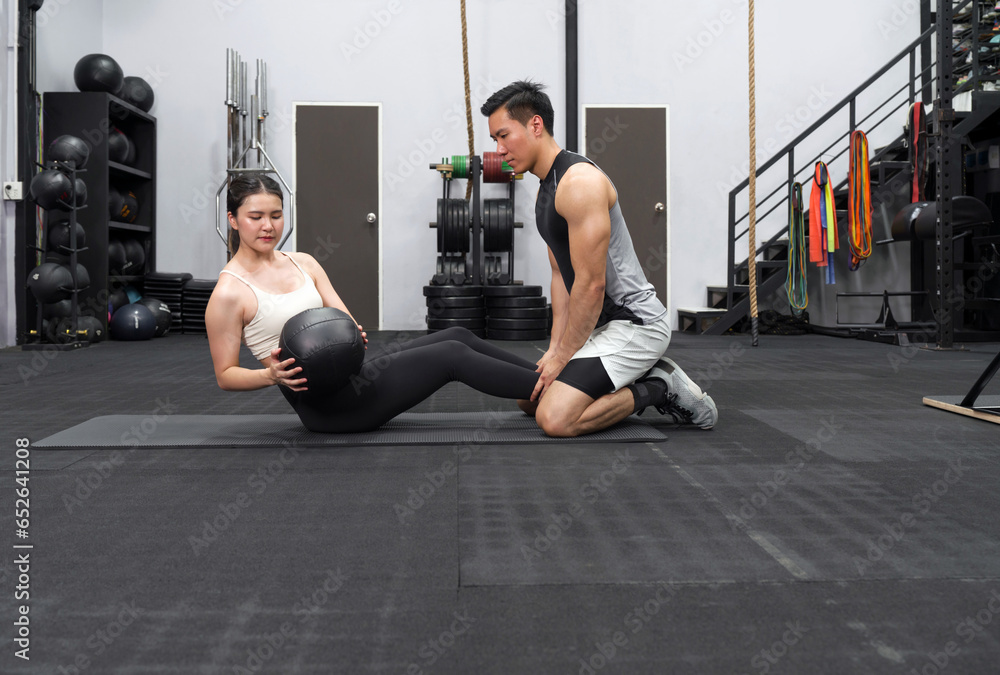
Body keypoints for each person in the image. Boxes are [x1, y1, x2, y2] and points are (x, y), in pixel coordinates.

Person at [205, 173, 542, 433]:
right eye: (255, 216)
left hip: (353, 375)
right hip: (328, 407)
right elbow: (225, 375)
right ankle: (556, 394)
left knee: (458, 335)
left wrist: (353, 333)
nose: (268, 226)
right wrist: (271, 375)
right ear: (233, 219)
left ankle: (548, 379)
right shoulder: (229, 293)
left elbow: (342, 317)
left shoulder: (303, 262)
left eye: (276, 215)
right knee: (451, 357)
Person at [480, 80, 718, 437]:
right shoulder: (546, 189)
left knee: (555, 419)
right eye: (494, 141)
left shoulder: (578, 183)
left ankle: (659, 384)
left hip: (634, 325)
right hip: (598, 326)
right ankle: (622, 376)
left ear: (535, 125)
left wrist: (563, 358)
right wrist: (555, 349)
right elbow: (561, 278)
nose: (498, 150)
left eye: (503, 136)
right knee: (528, 398)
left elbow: (591, 286)